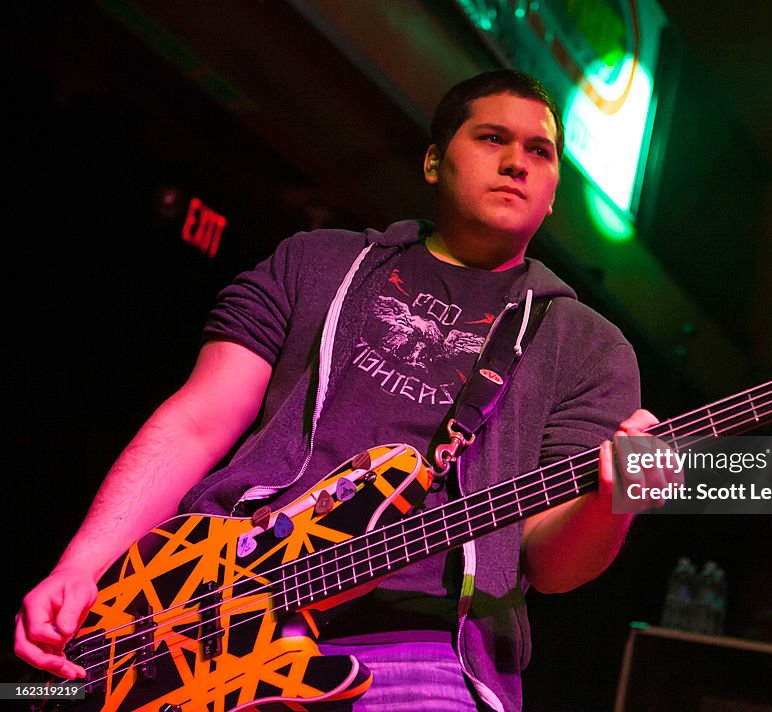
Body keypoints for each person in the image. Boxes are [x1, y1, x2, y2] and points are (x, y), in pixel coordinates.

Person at [14, 69, 663, 711]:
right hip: (214, 609)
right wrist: (83, 566)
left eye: (539, 151)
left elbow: (553, 566)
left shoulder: (588, 347)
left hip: (428, 654)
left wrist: (615, 501)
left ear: (553, 194)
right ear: (435, 161)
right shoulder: (315, 261)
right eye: (493, 138)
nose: (517, 163)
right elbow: (199, 421)